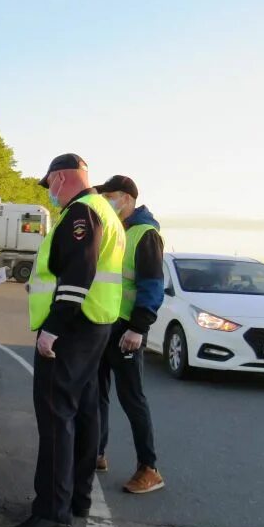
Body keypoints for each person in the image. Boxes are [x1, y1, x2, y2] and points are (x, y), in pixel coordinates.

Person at [3, 154, 125, 527]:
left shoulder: (80, 213)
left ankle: (52, 510)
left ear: (60, 178)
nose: (50, 192)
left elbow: (78, 273)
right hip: (95, 326)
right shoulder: (103, 209)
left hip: (72, 329)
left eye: (49, 184)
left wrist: (52, 328)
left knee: (56, 417)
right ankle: (76, 498)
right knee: (84, 413)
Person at [94, 175, 165, 494]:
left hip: (127, 328)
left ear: (125, 197)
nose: (106, 200)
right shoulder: (115, 230)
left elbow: (152, 286)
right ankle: (96, 452)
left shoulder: (145, 234)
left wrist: (138, 327)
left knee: (131, 397)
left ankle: (149, 468)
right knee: (96, 393)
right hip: (104, 323)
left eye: (109, 195)